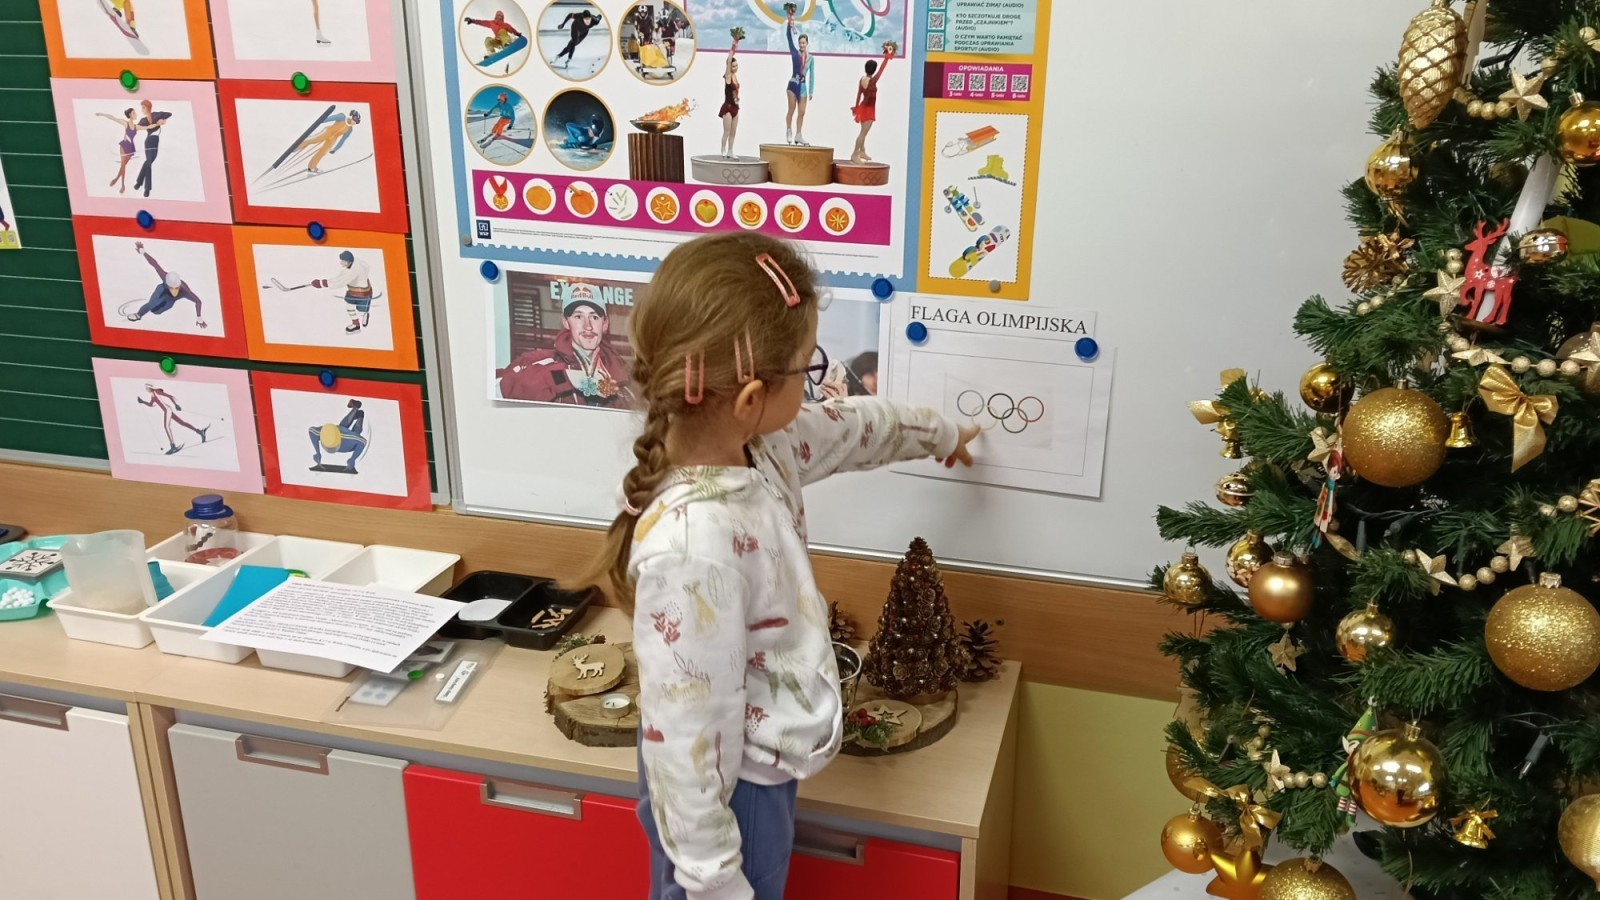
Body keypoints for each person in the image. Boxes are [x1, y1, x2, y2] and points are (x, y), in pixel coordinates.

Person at [566, 233, 978, 900]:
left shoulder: (761, 445)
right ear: (751, 397)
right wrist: (714, 882)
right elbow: (685, 740)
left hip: (745, 762)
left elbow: (851, 428)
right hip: (721, 792)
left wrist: (941, 433)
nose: (813, 383)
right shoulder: (694, 543)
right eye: (806, 366)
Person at [497, 285, 634, 406]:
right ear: (566, 322)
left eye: (594, 317)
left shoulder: (626, 376)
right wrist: (565, 377)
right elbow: (496, 390)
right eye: (578, 316)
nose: (588, 326)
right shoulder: (536, 361)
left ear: (605, 324)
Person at [127, 241, 206, 328]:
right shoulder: (164, 276)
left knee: (156, 312)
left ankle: (157, 307)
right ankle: (138, 315)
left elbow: (198, 301)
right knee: (152, 304)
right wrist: (142, 251)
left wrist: (199, 318)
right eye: (172, 288)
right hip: (162, 290)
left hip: (170, 299)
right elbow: (154, 264)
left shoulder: (185, 291)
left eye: (176, 288)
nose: (174, 290)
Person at [310, 250, 375, 334]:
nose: (341, 262)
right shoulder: (355, 262)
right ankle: (356, 325)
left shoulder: (352, 271)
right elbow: (340, 277)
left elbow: (340, 282)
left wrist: (321, 283)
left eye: (343, 261)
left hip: (363, 293)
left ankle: (365, 314)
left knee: (360, 311)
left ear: (348, 261)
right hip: (352, 291)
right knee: (349, 307)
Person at [138, 383, 208, 455]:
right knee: (182, 423)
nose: (146, 389)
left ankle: (173, 447)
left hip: (167, 410)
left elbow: (170, 396)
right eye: (145, 388)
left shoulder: (156, 391)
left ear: (149, 388)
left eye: (146, 388)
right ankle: (200, 432)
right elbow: (150, 404)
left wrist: (176, 405)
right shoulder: (152, 395)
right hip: (167, 410)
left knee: (166, 426)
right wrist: (142, 402)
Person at [850, 46, 892, 163]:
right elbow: (882, 70)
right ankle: (854, 154)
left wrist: (857, 106)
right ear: (873, 70)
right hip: (868, 109)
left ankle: (862, 151)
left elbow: (859, 94)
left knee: (863, 132)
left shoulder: (862, 79)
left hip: (863, 107)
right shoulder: (872, 81)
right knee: (863, 133)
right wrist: (887, 57)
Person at [295, 109, 361, 175]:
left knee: (323, 152)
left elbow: (342, 140)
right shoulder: (342, 117)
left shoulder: (349, 129)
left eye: (357, 122)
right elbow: (330, 118)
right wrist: (320, 121)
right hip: (327, 132)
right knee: (315, 139)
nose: (355, 123)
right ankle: (298, 145)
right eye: (355, 120)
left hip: (333, 138)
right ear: (352, 117)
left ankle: (312, 167)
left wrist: (335, 148)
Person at [307, 399, 367, 472]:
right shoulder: (324, 431)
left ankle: (360, 414)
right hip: (334, 430)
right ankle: (357, 411)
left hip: (343, 436)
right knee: (343, 428)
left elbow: (363, 441)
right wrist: (318, 453)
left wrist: (353, 459)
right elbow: (311, 430)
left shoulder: (347, 438)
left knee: (355, 433)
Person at [783, 13, 815, 145]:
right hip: (793, 85)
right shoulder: (794, 53)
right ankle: (789, 130)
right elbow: (788, 36)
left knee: (802, 112)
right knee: (791, 110)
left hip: (802, 87)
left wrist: (811, 91)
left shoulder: (811, 58)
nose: (801, 45)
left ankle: (798, 135)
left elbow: (812, 75)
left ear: (807, 44)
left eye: (803, 43)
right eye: (800, 43)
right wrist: (789, 21)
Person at [131, 99, 170, 199]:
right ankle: (147, 188)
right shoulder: (143, 120)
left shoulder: (156, 115)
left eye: (143, 107)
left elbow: (169, 114)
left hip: (156, 140)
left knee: (148, 162)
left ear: (148, 107)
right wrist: (149, 126)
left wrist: (163, 121)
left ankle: (139, 182)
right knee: (149, 163)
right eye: (142, 108)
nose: (142, 110)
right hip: (149, 141)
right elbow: (136, 127)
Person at [95, 108, 139, 193]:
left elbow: (148, 126)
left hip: (131, 147)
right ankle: (122, 185)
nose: (136, 114)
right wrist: (102, 114)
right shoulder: (126, 123)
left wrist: (157, 124)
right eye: (134, 113)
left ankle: (116, 178)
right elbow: (113, 118)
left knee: (123, 165)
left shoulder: (136, 126)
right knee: (123, 165)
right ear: (130, 115)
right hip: (124, 145)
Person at [719, 37, 740, 158]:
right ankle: (723, 148)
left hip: (735, 107)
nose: (735, 68)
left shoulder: (735, 77)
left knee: (733, 132)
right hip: (727, 107)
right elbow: (729, 61)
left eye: (736, 66)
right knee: (726, 132)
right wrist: (733, 47)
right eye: (733, 66)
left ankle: (730, 151)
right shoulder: (728, 76)